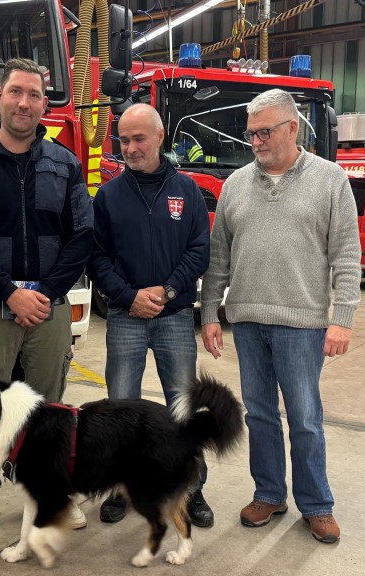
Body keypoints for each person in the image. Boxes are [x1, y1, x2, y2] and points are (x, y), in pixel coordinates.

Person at [0, 58, 94, 540]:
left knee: (49, 406)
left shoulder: (65, 163)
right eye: (16, 92)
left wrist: (44, 294)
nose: (24, 102)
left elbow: (82, 235)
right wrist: (9, 292)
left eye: (34, 94)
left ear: (44, 104)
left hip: (50, 306)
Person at [199, 89, 361, 544]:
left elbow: (346, 255)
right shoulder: (234, 185)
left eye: (265, 131)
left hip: (303, 323)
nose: (256, 141)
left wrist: (342, 317)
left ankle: (317, 504)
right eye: (251, 133)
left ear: (293, 128)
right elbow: (219, 257)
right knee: (261, 415)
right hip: (248, 320)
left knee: (305, 417)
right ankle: (269, 493)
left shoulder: (330, 181)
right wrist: (211, 310)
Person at [86, 103, 213, 527]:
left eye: (139, 138)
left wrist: (169, 289)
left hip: (175, 316)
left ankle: (192, 490)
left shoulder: (187, 191)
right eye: (124, 139)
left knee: (182, 407)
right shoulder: (109, 195)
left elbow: (199, 250)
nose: (131, 147)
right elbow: (97, 258)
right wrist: (128, 295)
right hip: (125, 317)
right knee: (121, 407)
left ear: (160, 137)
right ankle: (121, 488)